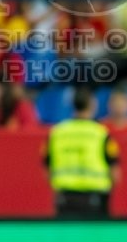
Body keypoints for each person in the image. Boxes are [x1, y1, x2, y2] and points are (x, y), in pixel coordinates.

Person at [45, 87, 120, 219]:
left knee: (67, 239)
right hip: (95, 200)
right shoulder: (101, 134)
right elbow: (115, 173)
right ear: (92, 105)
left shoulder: (57, 133)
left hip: (64, 199)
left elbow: (47, 167)